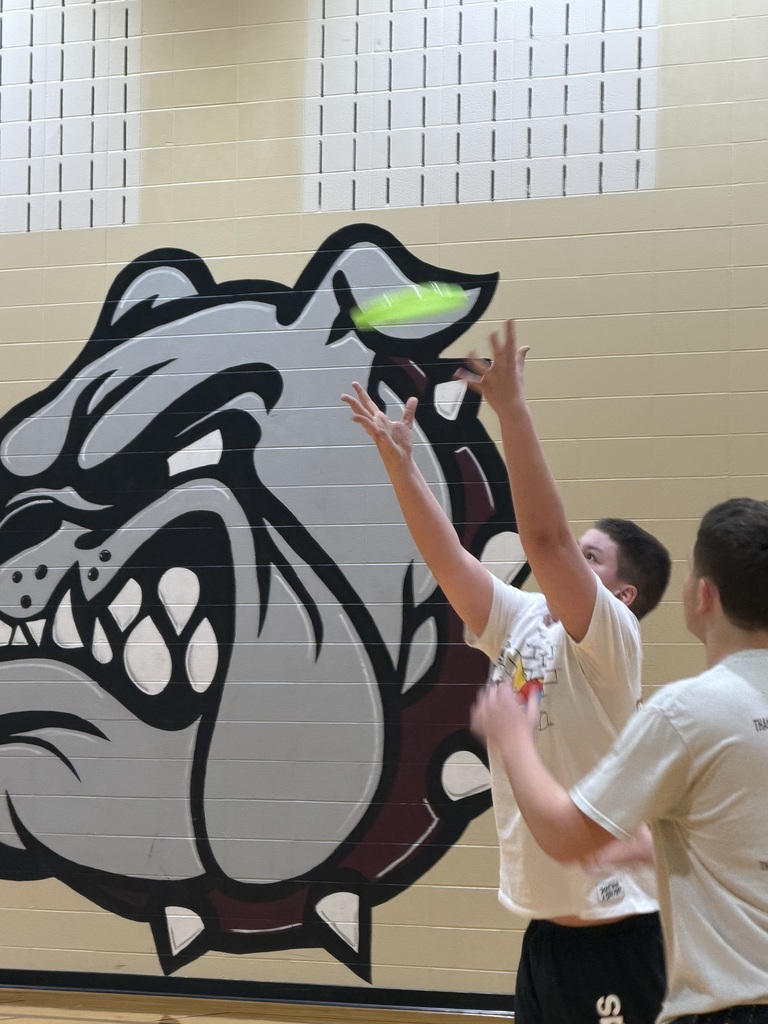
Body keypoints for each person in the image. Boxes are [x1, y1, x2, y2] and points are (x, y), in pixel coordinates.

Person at [342, 319, 671, 1023]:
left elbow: (544, 539)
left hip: (614, 936)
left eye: (591, 559)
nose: (566, 563)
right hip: (544, 935)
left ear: (622, 596)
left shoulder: (609, 639)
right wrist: (400, 464)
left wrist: (512, 411)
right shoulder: (524, 621)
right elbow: (446, 563)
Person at [472, 496, 768, 1024]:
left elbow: (565, 837)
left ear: (702, 595)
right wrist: (657, 848)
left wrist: (513, 738)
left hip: (730, 1000)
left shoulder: (689, 711)